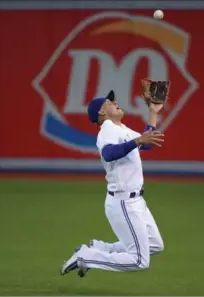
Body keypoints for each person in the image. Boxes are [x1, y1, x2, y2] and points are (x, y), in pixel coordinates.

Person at [60, 90, 165, 277]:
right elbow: (109, 153)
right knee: (139, 261)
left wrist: (153, 112)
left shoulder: (122, 129)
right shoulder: (107, 129)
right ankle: (85, 257)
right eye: (109, 102)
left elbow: (148, 142)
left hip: (136, 201)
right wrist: (138, 140)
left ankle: (99, 247)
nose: (115, 102)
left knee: (155, 245)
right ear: (102, 113)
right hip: (123, 201)